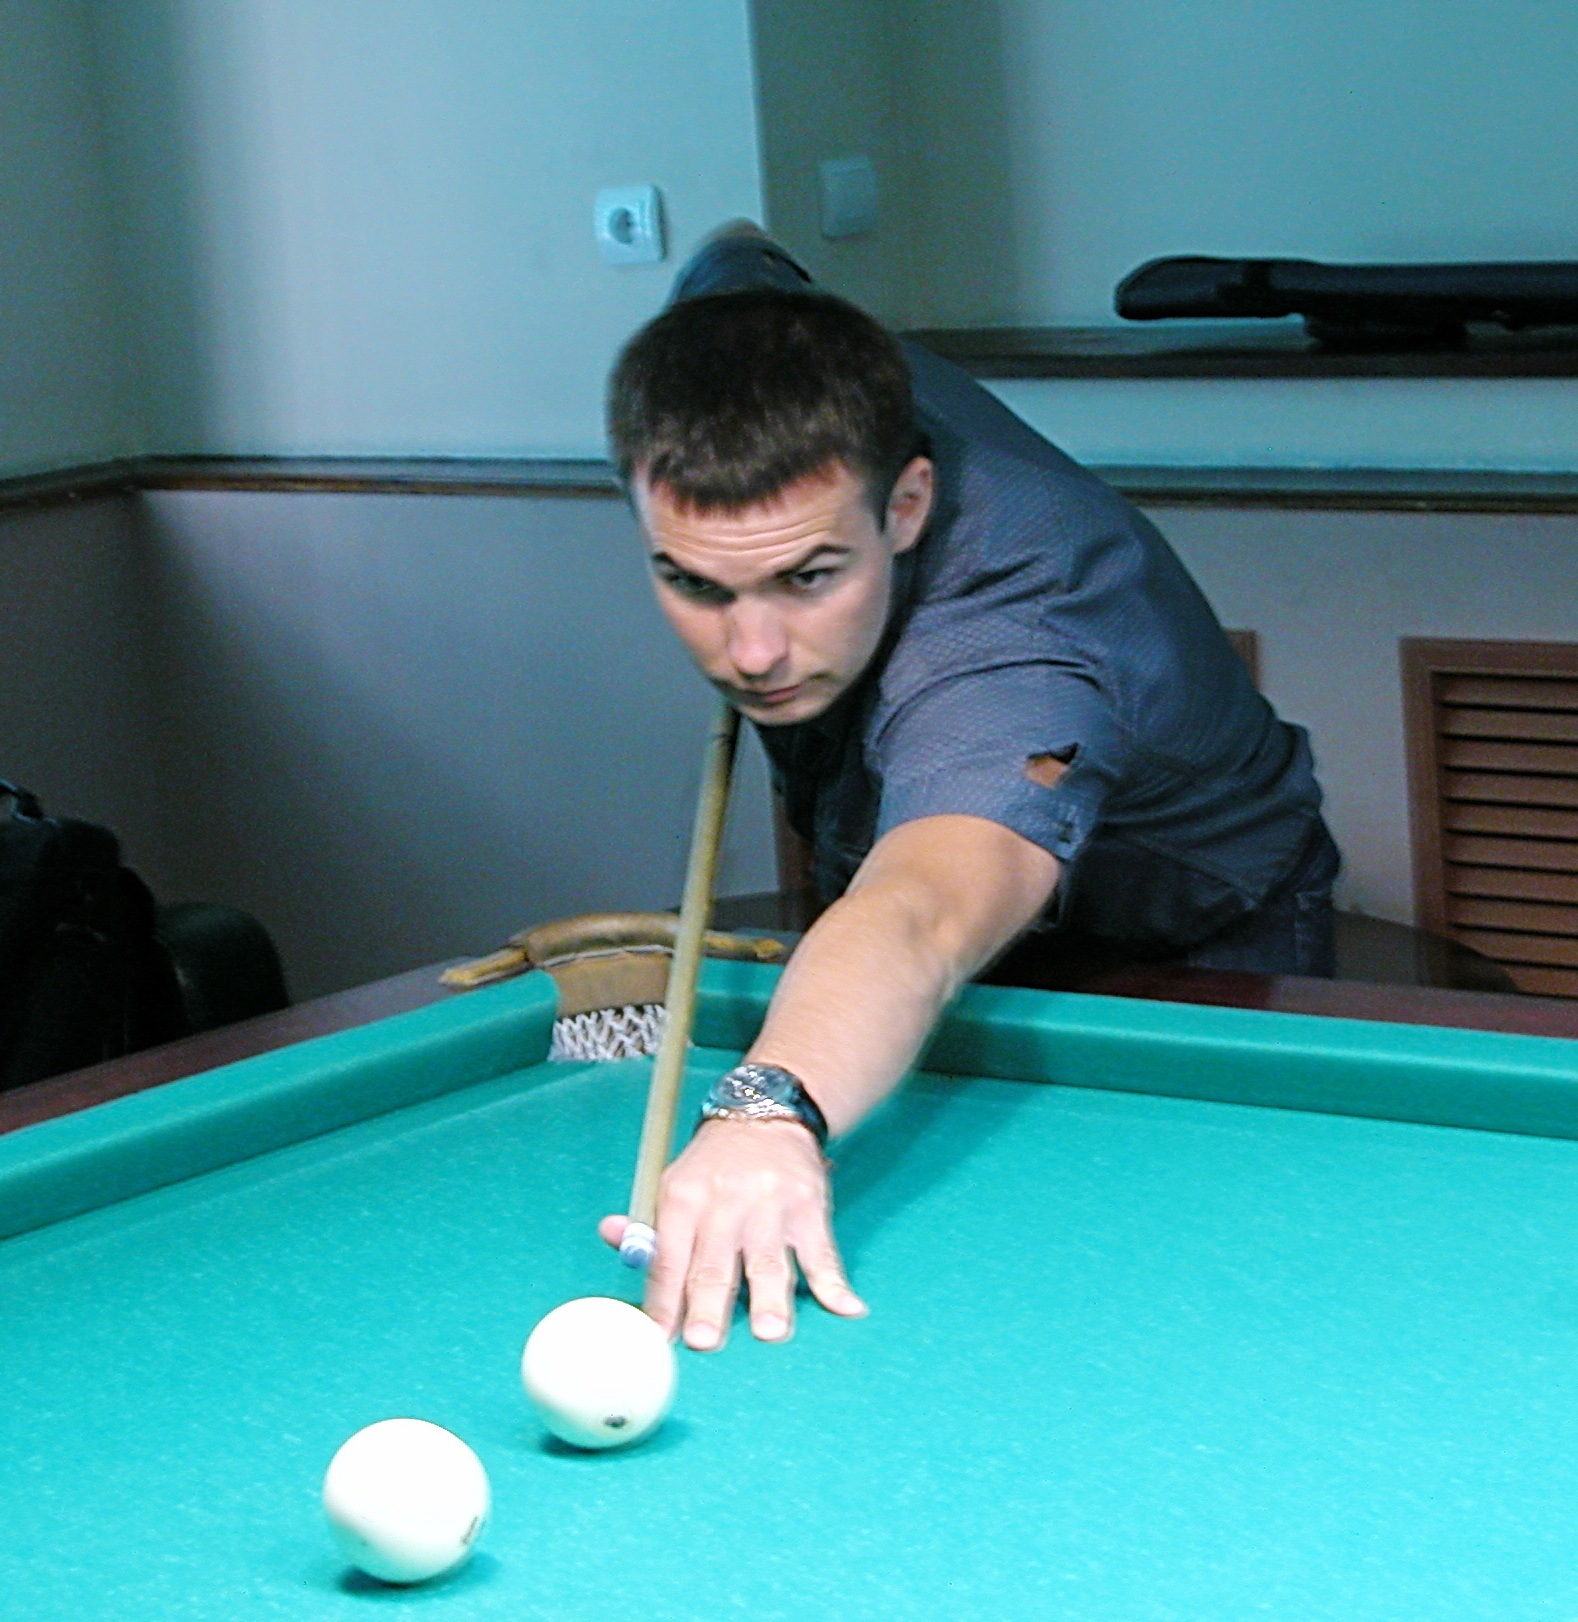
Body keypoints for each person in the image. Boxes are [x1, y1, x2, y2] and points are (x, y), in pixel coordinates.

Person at [598, 225, 1337, 1352]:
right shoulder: (739, 340)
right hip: (906, 881)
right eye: (697, 583)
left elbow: (923, 910)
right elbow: (737, 251)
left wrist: (766, 1108)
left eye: (808, 576)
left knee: (1203, 1295)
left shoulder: (1011, 641)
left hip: (1195, 935)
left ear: (905, 507)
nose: (751, 652)